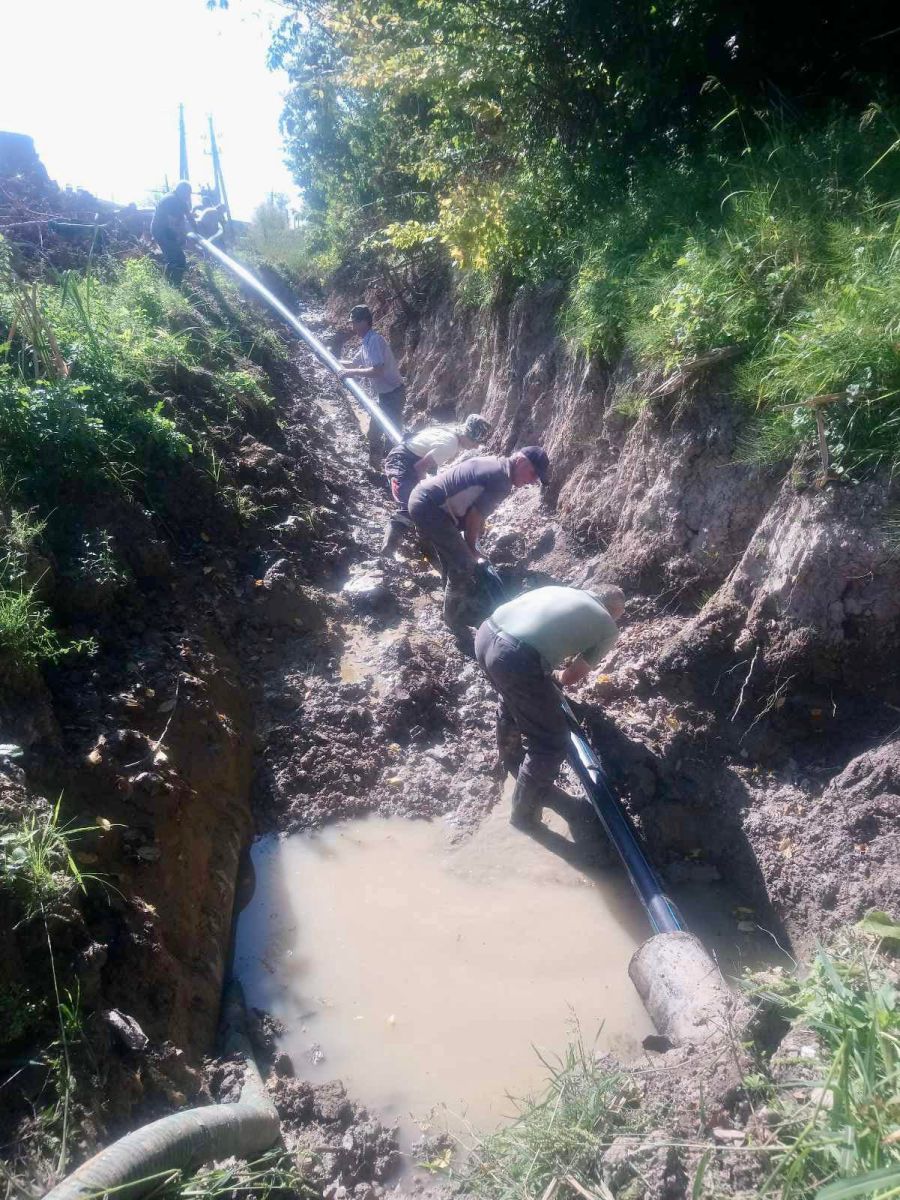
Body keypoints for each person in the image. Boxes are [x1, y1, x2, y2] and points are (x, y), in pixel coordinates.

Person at [474, 584, 625, 831]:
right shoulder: (608, 627)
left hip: (485, 635)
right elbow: (571, 677)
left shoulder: (565, 590)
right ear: (615, 612)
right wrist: (554, 674)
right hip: (513, 658)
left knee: (511, 695)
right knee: (550, 743)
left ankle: (510, 758)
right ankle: (523, 817)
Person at [407, 446, 549, 631]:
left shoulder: (495, 463)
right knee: (465, 564)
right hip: (430, 507)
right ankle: (452, 621)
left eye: (536, 478)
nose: (531, 481)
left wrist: (472, 542)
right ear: (521, 461)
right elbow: (474, 516)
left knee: (453, 560)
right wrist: (472, 548)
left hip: (424, 499)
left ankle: (451, 603)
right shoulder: (502, 480)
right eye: (532, 474)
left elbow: (475, 510)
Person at [380, 413, 492, 557]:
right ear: (467, 435)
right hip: (401, 464)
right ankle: (386, 552)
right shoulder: (449, 445)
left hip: (410, 460)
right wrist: (423, 493)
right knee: (410, 507)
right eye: (475, 441)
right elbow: (420, 467)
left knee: (426, 505)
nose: (476, 446)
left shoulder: (452, 434)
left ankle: (424, 542)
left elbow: (429, 464)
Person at [338, 305, 406, 467]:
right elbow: (353, 363)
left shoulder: (374, 340)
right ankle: (377, 468)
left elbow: (378, 371)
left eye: (355, 323)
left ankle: (392, 470)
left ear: (365, 322)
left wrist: (351, 373)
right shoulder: (366, 343)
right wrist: (334, 361)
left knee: (390, 435)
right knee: (375, 433)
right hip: (384, 395)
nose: (352, 327)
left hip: (393, 395)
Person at [150, 181, 194, 284]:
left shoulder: (181, 200)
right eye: (188, 193)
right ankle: (172, 284)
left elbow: (190, 217)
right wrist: (183, 237)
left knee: (180, 258)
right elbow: (173, 224)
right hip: (162, 231)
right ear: (181, 191)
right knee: (175, 258)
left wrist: (197, 233)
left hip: (169, 231)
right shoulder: (171, 200)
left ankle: (174, 283)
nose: (189, 196)